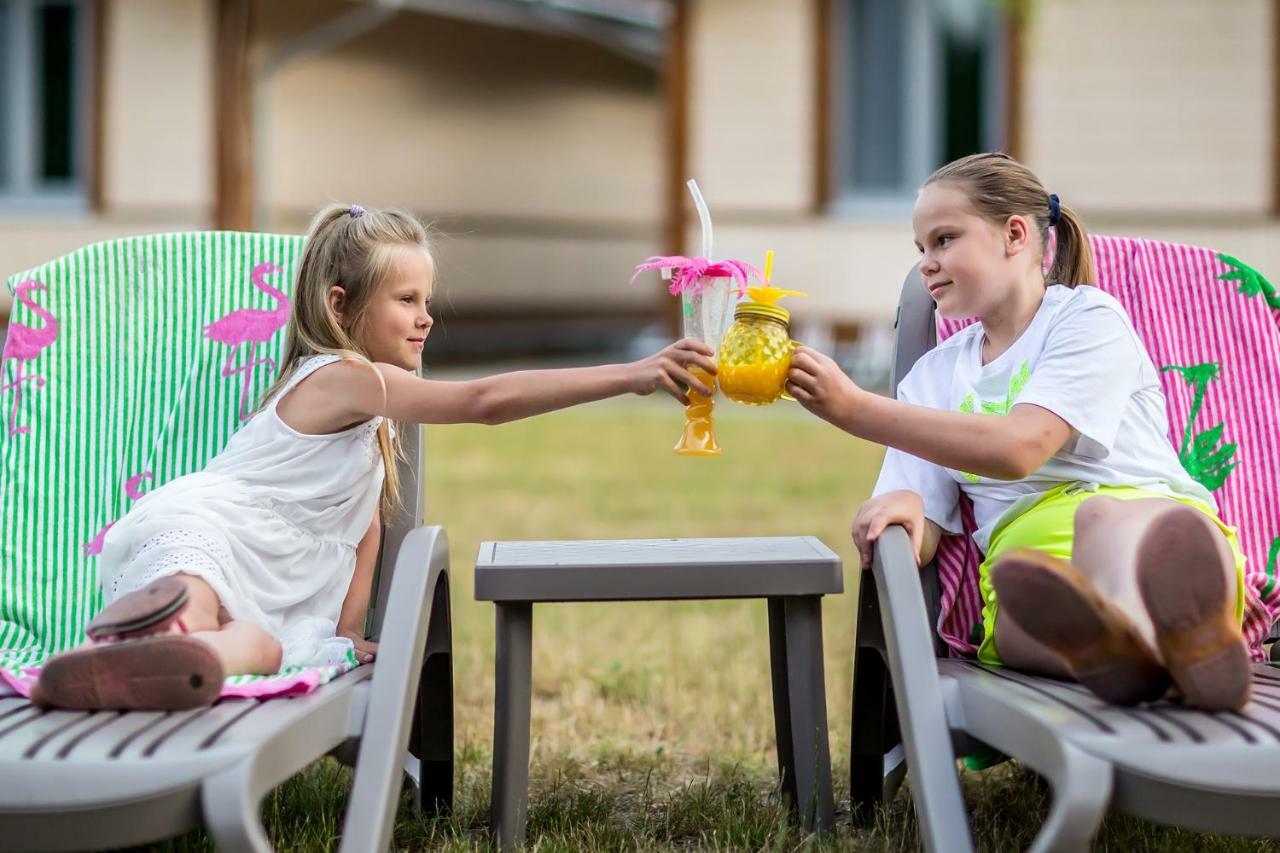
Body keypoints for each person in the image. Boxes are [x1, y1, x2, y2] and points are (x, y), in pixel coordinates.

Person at [33, 203, 717, 710]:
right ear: (341, 305)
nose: (425, 317)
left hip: (270, 578)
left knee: (262, 648)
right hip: (208, 531)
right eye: (406, 300)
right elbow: (483, 400)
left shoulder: (372, 422)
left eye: (427, 300)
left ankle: (155, 664)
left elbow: (366, 529)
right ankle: (134, 646)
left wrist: (348, 626)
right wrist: (629, 374)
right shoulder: (342, 378)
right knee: (199, 602)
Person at [785, 153, 1250, 711]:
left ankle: (1146, 634)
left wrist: (855, 409)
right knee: (1021, 589)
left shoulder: (1087, 320)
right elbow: (925, 524)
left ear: (1014, 235)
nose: (927, 264)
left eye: (945, 239)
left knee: (1102, 518)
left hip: (1159, 539)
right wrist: (903, 507)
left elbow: (1020, 448)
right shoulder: (934, 375)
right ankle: (1162, 651)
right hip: (1033, 577)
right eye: (921, 249)